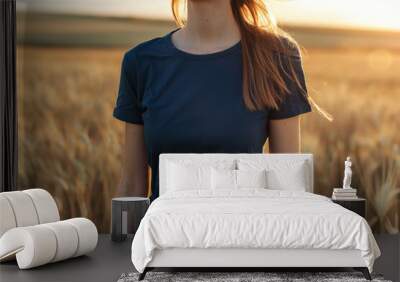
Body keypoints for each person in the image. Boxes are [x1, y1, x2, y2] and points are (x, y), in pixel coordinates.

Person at [113, 0, 313, 201]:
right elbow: (132, 186)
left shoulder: (277, 57)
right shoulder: (140, 63)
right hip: (165, 231)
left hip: (245, 230)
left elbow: (288, 188)